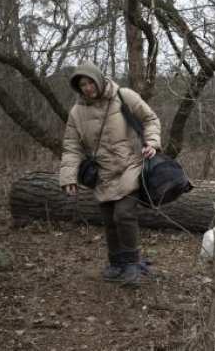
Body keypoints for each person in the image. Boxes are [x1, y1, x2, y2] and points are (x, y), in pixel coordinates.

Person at [59, 61, 161, 286]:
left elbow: (150, 119)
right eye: (82, 84)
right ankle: (117, 263)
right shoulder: (77, 112)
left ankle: (132, 264)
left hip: (130, 165)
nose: (87, 87)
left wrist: (152, 142)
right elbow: (71, 146)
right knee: (108, 219)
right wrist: (68, 177)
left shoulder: (124, 96)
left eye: (90, 82)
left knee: (123, 214)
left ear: (99, 78)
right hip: (102, 173)